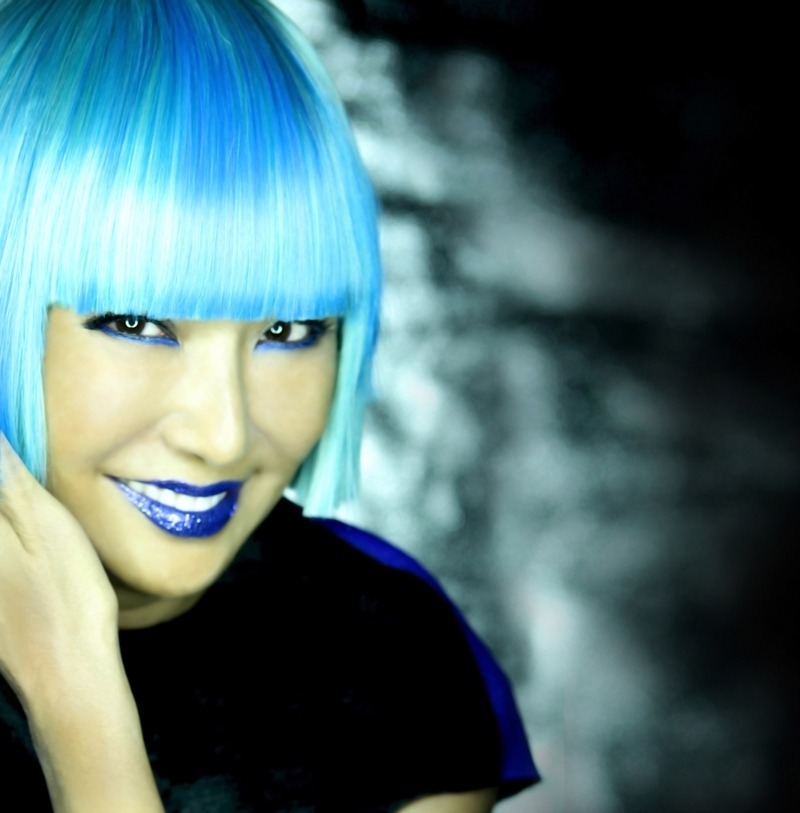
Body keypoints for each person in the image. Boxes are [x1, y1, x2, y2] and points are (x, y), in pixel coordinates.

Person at [0, 0, 539, 810]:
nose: (224, 436)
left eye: (287, 330)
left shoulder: (388, 651)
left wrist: (78, 706)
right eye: (137, 322)